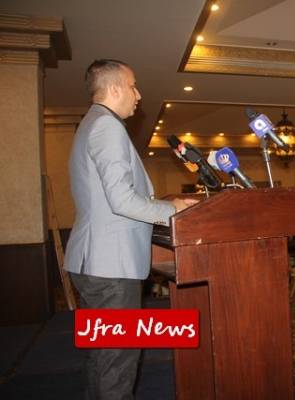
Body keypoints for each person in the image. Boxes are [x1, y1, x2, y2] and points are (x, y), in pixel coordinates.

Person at [63, 59, 196, 400]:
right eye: (133, 86)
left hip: (95, 260)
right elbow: (121, 200)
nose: (138, 95)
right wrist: (174, 209)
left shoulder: (90, 123)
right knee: (117, 364)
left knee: (102, 357)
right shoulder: (107, 127)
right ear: (115, 88)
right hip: (111, 265)